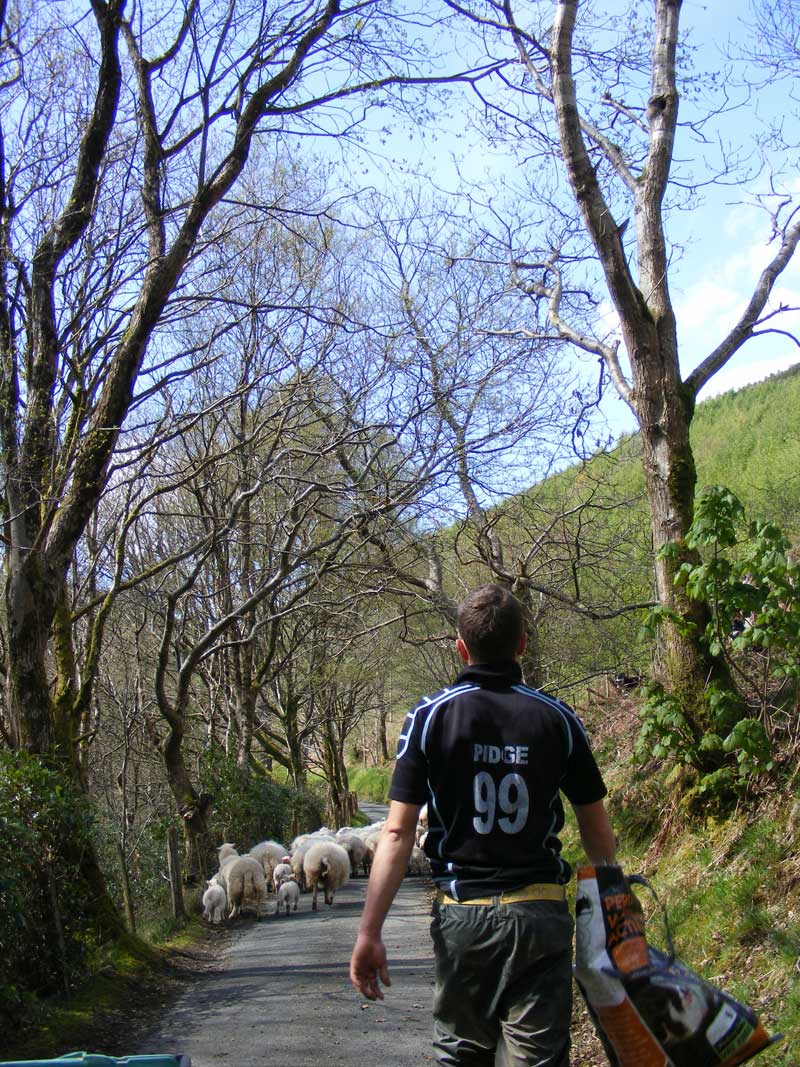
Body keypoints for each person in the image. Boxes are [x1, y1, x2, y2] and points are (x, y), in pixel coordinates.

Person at [349, 584, 616, 1067]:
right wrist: (612, 906)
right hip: (539, 915)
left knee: (462, 1054)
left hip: (462, 918)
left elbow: (395, 833)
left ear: (460, 647)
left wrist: (370, 931)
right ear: (522, 645)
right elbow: (597, 831)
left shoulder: (428, 717)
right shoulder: (559, 719)